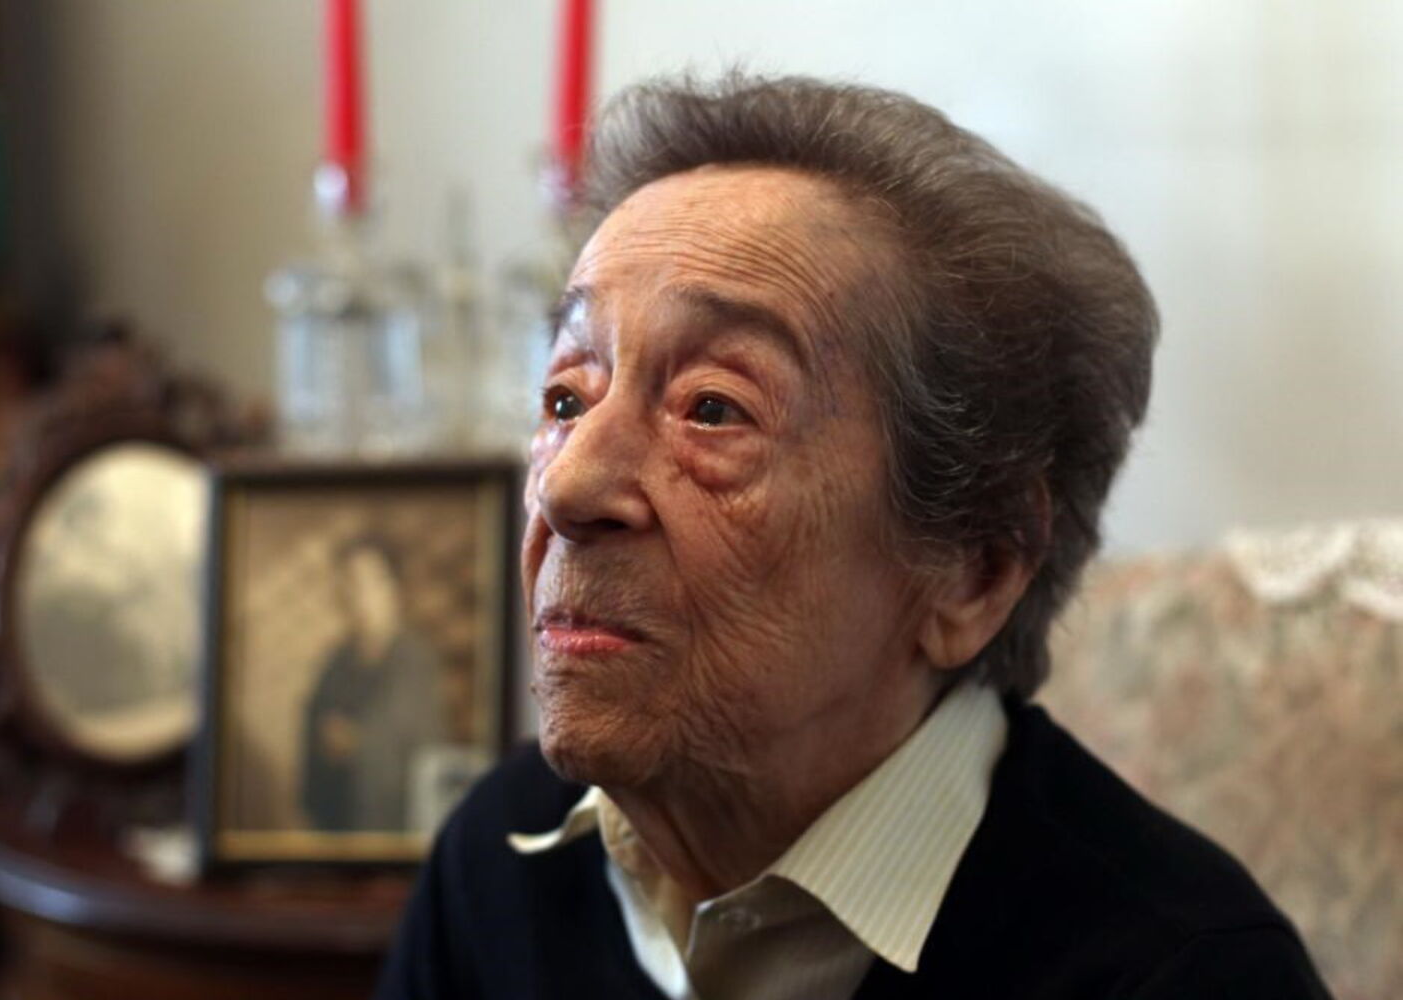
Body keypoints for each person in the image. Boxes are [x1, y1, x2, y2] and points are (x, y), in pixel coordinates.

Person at [374, 74, 1331, 999]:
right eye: (564, 398)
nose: (568, 487)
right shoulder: (498, 865)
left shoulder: (1183, 972)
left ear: (975, 569)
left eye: (713, 408)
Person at [301, 533, 444, 832]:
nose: (359, 596)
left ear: (393, 588)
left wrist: (358, 743)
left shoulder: (415, 661)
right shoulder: (336, 663)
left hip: (395, 823)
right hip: (341, 823)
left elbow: (420, 747)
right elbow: (315, 727)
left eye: (368, 583)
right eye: (350, 584)